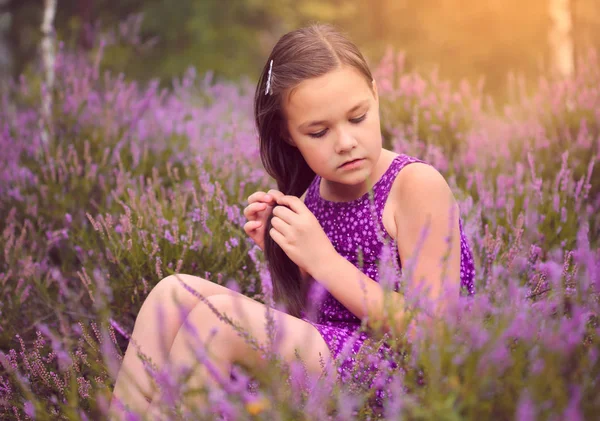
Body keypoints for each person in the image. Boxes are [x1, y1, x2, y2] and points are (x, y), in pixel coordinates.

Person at [109, 23, 476, 419]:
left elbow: (436, 334)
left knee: (217, 320)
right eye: (318, 131)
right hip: (333, 358)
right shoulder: (312, 196)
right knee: (173, 293)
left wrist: (322, 260)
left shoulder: (414, 186)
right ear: (287, 135)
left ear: (375, 93)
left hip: (398, 374)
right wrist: (286, 257)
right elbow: (314, 317)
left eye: (358, 117)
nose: (345, 142)